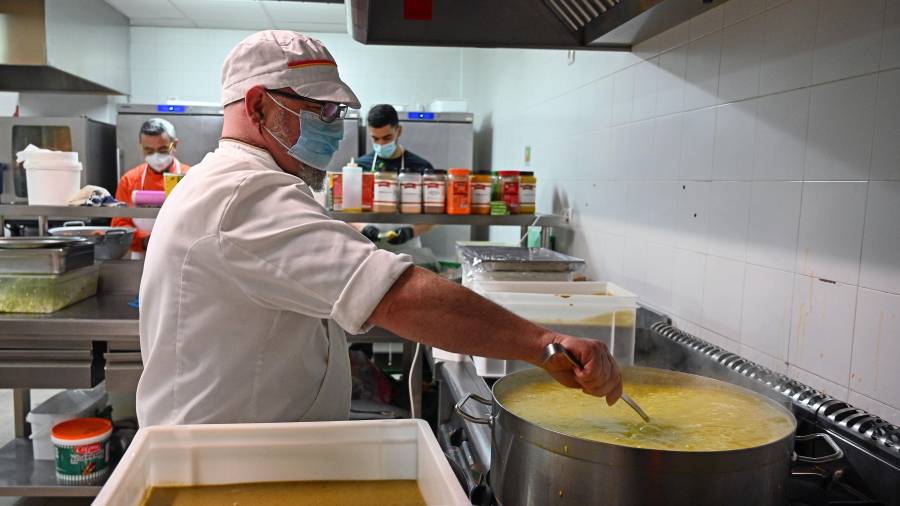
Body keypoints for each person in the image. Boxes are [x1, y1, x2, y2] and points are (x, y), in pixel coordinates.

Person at [135, 30, 622, 427]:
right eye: (322, 112)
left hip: (248, 456)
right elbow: (395, 296)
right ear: (259, 105)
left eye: (338, 114)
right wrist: (544, 345)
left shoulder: (236, 183)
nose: (335, 128)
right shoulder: (243, 194)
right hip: (219, 474)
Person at [356, 104, 433, 251]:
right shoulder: (360, 167)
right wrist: (364, 228)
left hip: (408, 246)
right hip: (370, 247)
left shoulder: (421, 167)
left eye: (387, 137)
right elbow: (345, 210)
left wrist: (410, 232)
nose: (381, 144)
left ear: (399, 131)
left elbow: (435, 217)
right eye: (375, 138)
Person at [111, 118, 189, 253]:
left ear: (174, 144)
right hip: (142, 254)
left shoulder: (190, 177)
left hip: (179, 252)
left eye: (163, 149)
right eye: (149, 150)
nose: (156, 156)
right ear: (141, 146)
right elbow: (119, 223)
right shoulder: (129, 180)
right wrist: (146, 241)